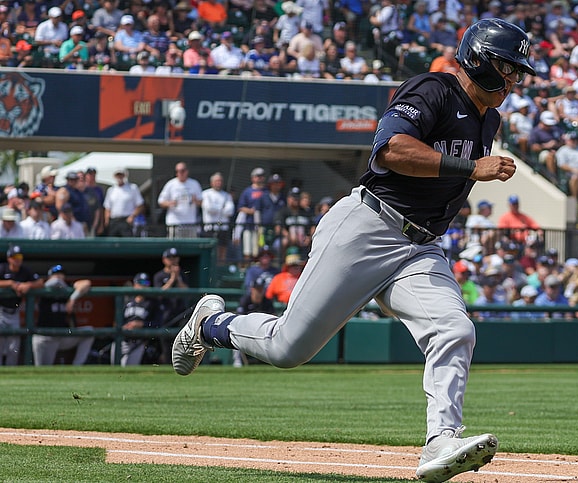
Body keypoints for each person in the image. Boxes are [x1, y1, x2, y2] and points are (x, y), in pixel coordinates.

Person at [171, 18, 534, 482]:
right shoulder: (433, 89)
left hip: (421, 247)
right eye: (506, 68)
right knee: (287, 348)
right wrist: (470, 167)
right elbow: (389, 151)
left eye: (516, 71)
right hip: (369, 226)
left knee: (455, 329)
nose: (512, 80)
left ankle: (441, 440)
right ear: (480, 60)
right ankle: (212, 325)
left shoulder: (490, 117)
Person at [30, 265, 94, 366]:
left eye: (61, 274)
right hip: (45, 337)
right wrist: (55, 281)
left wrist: (73, 298)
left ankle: (77, 366)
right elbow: (53, 283)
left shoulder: (67, 289)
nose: (59, 277)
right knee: (43, 369)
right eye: (56, 274)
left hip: (63, 336)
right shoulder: (43, 289)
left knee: (89, 331)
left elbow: (86, 283)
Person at [0, 246, 43, 365]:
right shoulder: (2, 268)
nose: (18, 260)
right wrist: (10, 283)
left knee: (13, 347)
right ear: (9, 258)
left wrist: (28, 285)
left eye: (19, 257)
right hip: (1, 311)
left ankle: (11, 373)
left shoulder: (25, 271)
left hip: (14, 312)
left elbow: (40, 282)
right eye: (15, 257)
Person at [112, 272, 159, 366]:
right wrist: (123, 327)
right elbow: (116, 321)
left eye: (146, 283)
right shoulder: (126, 300)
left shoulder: (152, 303)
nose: (143, 286)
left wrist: (141, 324)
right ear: (134, 284)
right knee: (115, 367)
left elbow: (157, 323)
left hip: (139, 341)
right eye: (140, 283)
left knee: (128, 367)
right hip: (123, 339)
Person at [158, 162, 202, 239]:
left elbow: (201, 202)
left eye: (182, 171)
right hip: (174, 222)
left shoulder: (194, 184)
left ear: (187, 171)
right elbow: (161, 201)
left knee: (190, 247)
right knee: (175, 247)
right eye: (177, 171)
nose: (180, 173)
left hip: (190, 223)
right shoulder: (170, 184)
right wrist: (170, 203)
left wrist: (195, 200)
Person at [201, 172, 235, 262]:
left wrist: (217, 208)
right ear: (212, 182)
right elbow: (209, 208)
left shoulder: (227, 195)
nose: (218, 183)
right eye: (216, 181)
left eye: (220, 181)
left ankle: (220, 268)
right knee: (211, 250)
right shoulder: (206, 194)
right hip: (210, 228)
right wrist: (222, 208)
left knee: (222, 249)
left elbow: (230, 211)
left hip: (223, 227)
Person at [103, 168, 145, 237]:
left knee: (127, 243)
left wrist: (132, 216)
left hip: (126, 220)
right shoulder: (111, 190)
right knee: (113, 243)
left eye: (121, 175)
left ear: (125, 176)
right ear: (114, 176)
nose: (119, 177)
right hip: (114, 221)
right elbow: (107, 207)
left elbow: (140, 205)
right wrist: (107, 220)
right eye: (118, 175)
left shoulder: (132, 188)